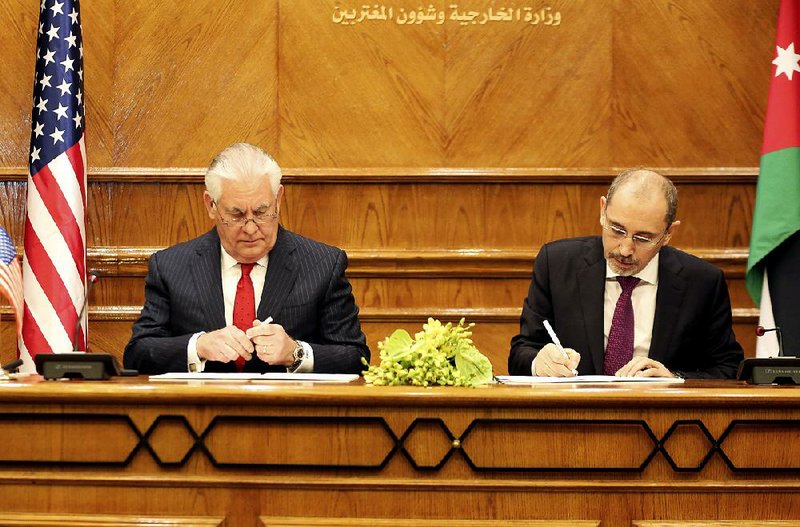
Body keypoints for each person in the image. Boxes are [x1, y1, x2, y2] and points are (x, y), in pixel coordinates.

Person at [124, 143, 369, 375]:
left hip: (289, 415)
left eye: (262, 212)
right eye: (237, 214)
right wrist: (198, 346)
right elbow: (138, 353)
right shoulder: (171, 266)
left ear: (279, 199)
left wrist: (296, 353)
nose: (251, 228)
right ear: (211, 205)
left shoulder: (323, 264)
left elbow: (357, 357)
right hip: (200, 415)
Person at [509, 169, 743, 379]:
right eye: (617, 230)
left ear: (669, 233)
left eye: (643, 238)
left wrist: (674, 378)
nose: (625, 249)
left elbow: (728, 367)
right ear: (603, 211)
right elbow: (521, 352)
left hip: (661, 420)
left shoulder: (702, 282)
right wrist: (539, 362)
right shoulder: (557, 264)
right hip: (575, 416)